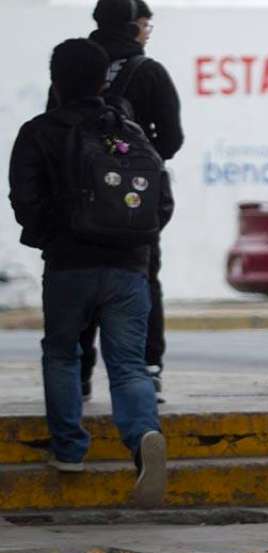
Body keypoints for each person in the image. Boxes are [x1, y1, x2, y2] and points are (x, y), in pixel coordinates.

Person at [10, 38, 171, 505]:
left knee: (62, 353)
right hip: (128, 268)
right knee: (128, 365)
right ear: (103, 81)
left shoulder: (39, 131)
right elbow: (161, 201)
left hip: (68, 266)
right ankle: (143, 438)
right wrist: (133, 242)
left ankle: (68, 450)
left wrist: (53, 237)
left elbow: (25, 200)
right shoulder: (130, 131)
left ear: (56, 82)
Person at [60, 0, 184, 403]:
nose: (149, 30)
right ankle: (148, 371)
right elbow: (172, 139)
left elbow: (55, 131)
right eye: (147, 23)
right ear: (134, 25)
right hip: (135, 201)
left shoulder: (73, 67)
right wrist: (136, 158)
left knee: (76, 283)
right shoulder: (148, 72)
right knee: (142, 280)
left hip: (78, 201)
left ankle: (76, 376)